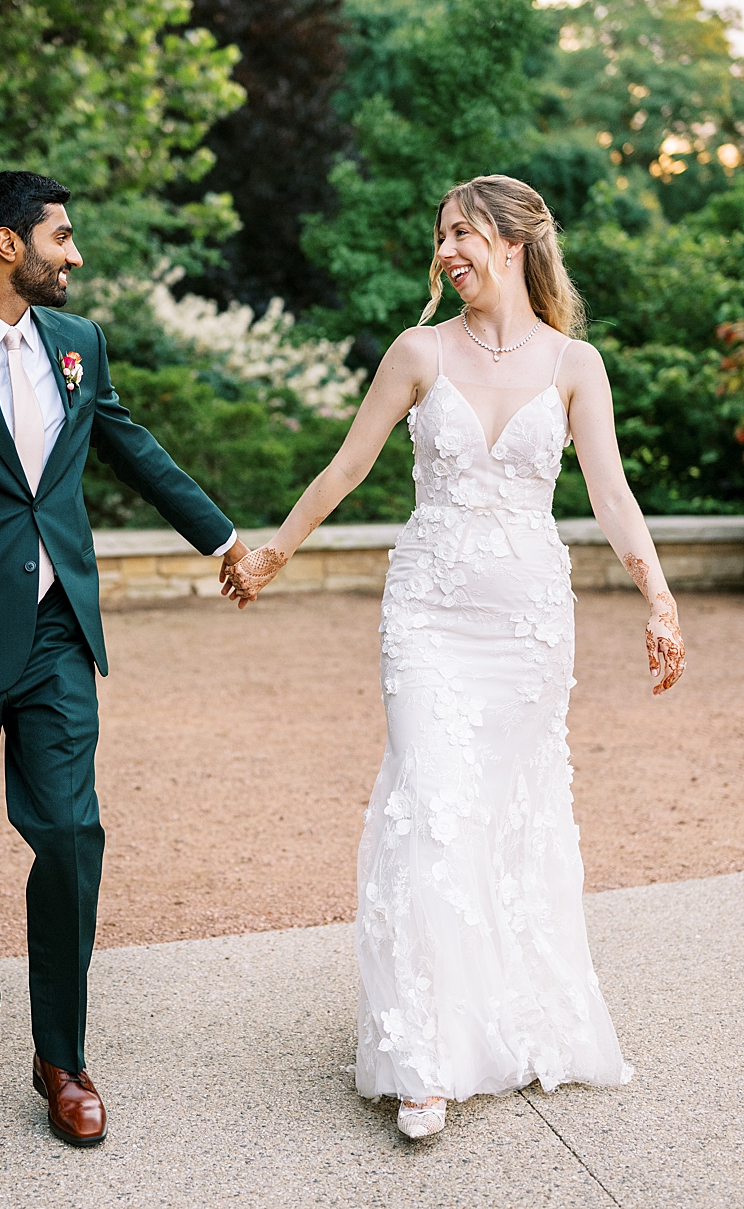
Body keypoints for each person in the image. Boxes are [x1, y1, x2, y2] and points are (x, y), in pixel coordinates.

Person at [226, 174, 686, 1140]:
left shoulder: (575, 364)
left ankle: (506, 1015)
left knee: (510, 817)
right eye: (441, 234)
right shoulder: (418, 351)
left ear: (513, 243)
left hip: (528, 626)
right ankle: (423, 1058)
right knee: (432, 809)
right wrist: (273, 553)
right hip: (429, 616)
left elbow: (611, 494)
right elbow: (348, 465)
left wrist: (659, 598)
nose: (446, 250)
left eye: (463, 233)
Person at [0, 171, 252, 1146]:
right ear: (5, 243)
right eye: (60, 236)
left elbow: (128, 444)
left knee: (70, 835)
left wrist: (225, 539)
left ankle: (60, 1059)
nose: (74, 253)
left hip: (59, 632)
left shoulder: (77, 343)